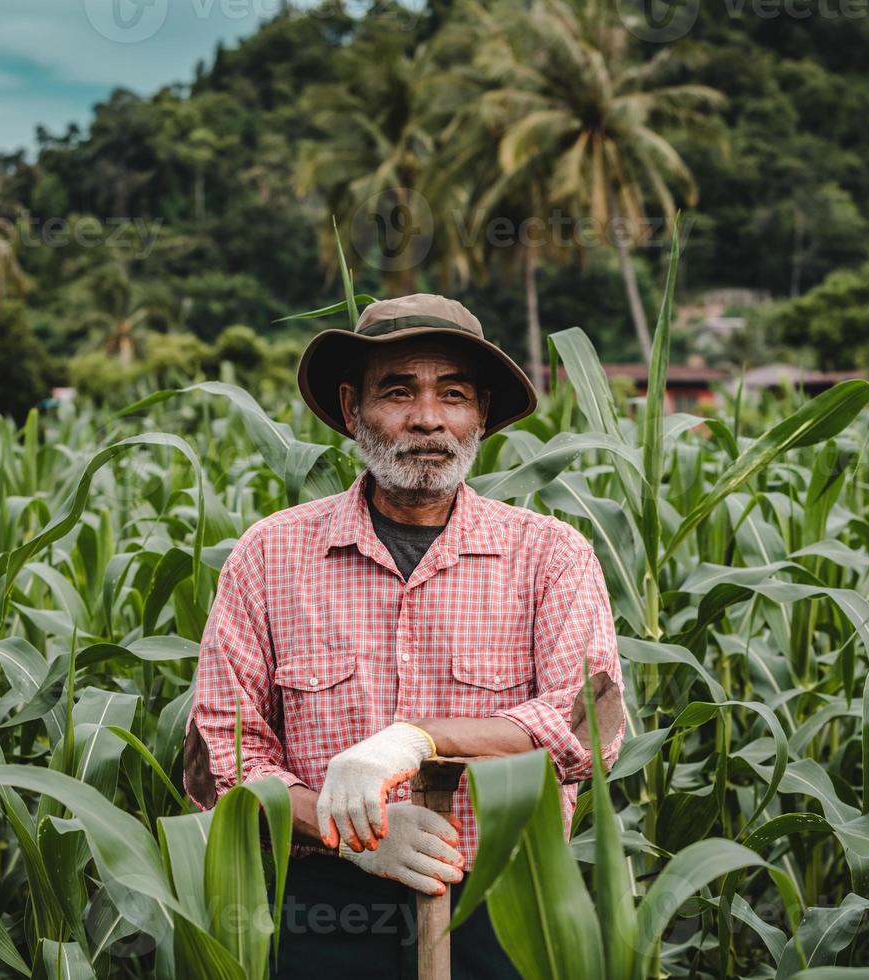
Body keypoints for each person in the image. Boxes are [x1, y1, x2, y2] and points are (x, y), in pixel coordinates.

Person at [184, 293, 626, 979]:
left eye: (452, 395)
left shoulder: (550, 556)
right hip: (319, 911)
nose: (427, 418)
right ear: (352, 407)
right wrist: (351, 835)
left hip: (507, 905)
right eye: (398, 391)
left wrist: (419, 738)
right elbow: (222, 758)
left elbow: (585, 723)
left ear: (479, 414)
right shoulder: (269, 556)